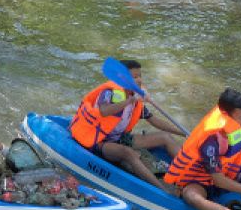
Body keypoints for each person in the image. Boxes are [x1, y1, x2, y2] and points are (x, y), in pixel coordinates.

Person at [69, 60, 184, 192]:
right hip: (100, 141)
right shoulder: (110, 93)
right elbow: (104, 111)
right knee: (128, 153)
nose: (139, 79)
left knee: (165, 137)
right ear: (122, 78)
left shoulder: (135, 95)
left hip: (120, 138)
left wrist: (183, 133)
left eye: (139, 76)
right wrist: (130, 100)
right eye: (134, 77)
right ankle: (162, 191)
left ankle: (189, 173)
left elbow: (154, 120)